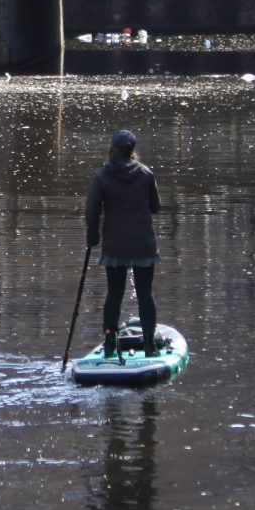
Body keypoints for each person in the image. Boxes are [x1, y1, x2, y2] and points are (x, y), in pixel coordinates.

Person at [85, 129, 162, 358]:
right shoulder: (146, 174)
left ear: (112, 150)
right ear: (132, 151)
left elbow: (92, 210)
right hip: (143, 243)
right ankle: (149, 344)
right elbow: (155, 207)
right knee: (145, 294)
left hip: (115, 245)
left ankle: (110, 343)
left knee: (114, 295)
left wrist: (92, 236)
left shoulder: (101, 176)